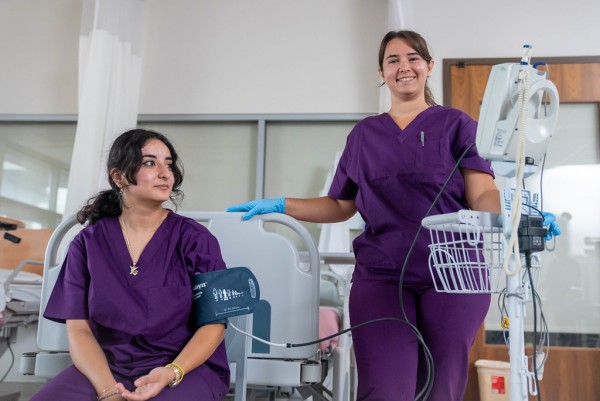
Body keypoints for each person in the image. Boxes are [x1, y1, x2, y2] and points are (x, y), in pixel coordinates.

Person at [227, 30, 501, 401]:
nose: (404, 66)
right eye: (393, 60)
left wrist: (508, 220)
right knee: (384, 389)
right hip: (382, 276)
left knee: (441, 389)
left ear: (429, 66)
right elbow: (341, 204)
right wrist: (280, 206)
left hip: (452, 275)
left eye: (413, 58)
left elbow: (482, 191)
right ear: (382, 72)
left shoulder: (457, 125)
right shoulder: (364, 135)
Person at [32, 129, 230, 401]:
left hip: (184, 368)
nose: (165, 173)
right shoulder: (87, 243)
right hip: (105, 367)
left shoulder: (196, 240)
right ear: (119, 176)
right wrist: (108, 391)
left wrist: (172, 371)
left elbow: (214, 325)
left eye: (169, 164)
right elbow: (78, 329)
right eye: (150, 162)